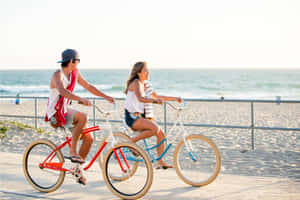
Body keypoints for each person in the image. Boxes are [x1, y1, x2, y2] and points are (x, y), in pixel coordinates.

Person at [45, 49, 114, 184]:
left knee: (89, 138)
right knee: (83, 117)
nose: (78, 63)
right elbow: (62, 91)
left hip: (65, 110)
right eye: (78, 60)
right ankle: (72, 151)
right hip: (55, 114)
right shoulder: (57, 75)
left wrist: (106, 96)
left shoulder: (74, 73)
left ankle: (76, 170)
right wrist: (80, 99)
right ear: (71, 61)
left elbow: (88, 86)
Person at [124, 61, 181, 169]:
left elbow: (158, 96)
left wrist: (174, 98)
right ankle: (132, 141)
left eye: (147, 70)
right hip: (132, 117)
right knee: (155, 129)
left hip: (140, 116)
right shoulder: (136, 83)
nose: (148, 72)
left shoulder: (144, 84)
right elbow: (141, 98)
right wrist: (155, 101)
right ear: (139, 72)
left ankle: (160, 161)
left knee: (161, 134)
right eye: (145, 70)